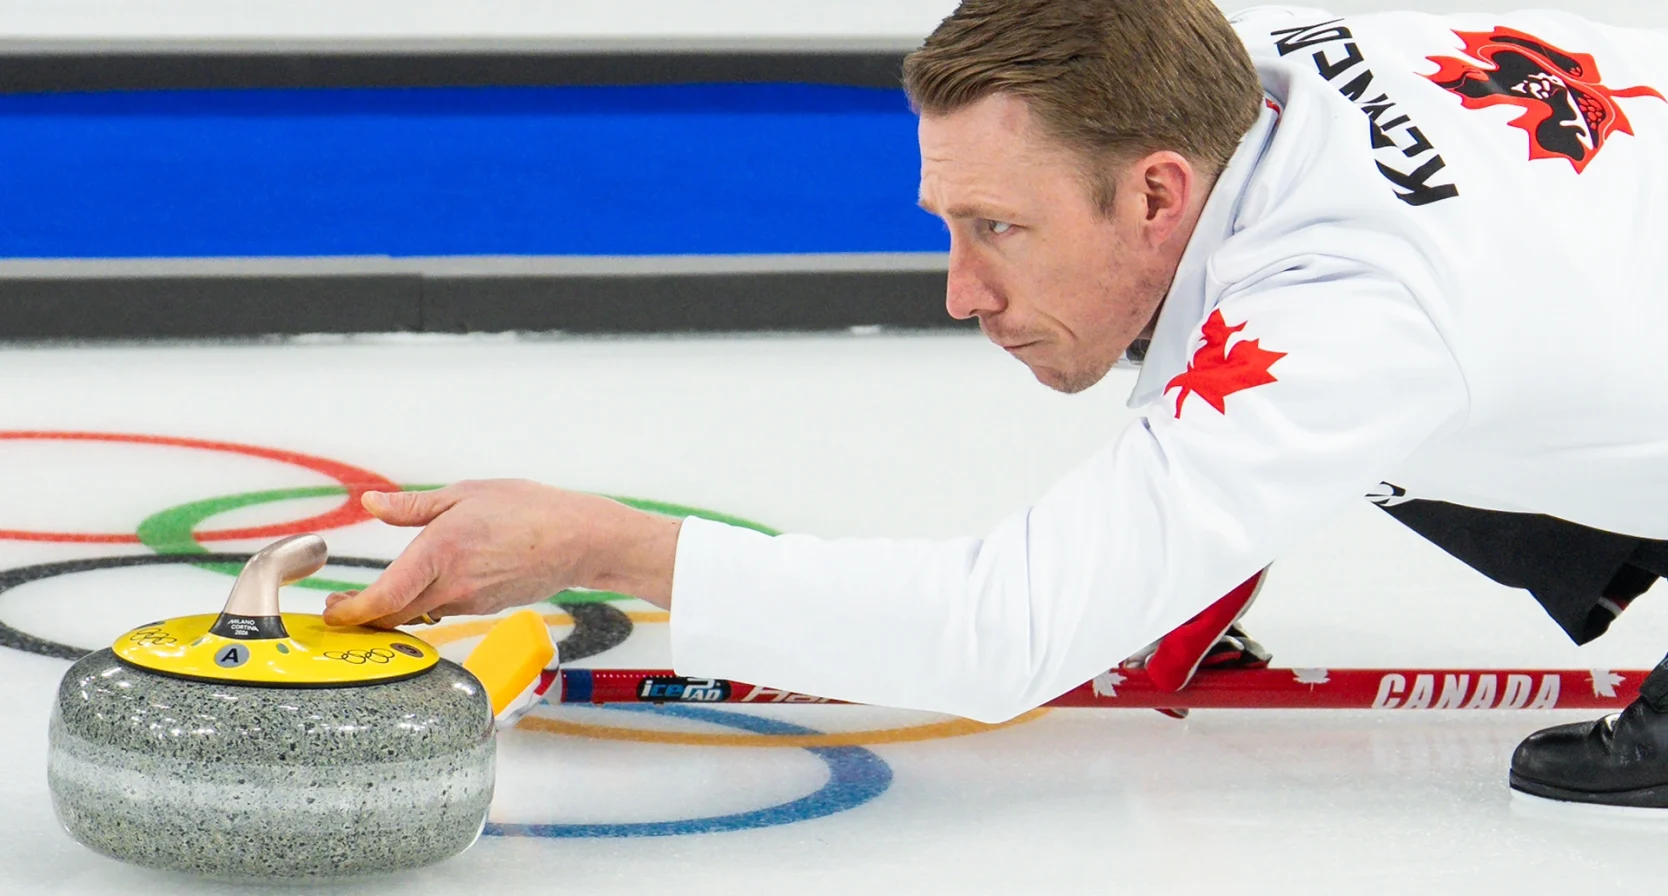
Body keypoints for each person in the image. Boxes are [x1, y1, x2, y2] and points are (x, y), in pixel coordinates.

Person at [322, 1, 1668, 809]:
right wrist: (1182, 553)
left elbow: (1002, 636)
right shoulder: (1241, 72)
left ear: (1155, 190)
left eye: (1000, 228)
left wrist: (605, 545)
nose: (962, 292)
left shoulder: (1349, 316)